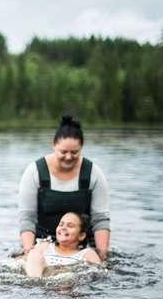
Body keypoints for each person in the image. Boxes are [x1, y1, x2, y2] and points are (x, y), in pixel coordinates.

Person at [18, 116, 111, 260]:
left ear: (81, 148)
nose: (68, 157)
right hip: (43, 242)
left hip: (81, 246)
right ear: (54, 145)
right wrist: (28, 250)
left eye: (74, 152)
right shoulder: (35, 171)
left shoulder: (93, 173)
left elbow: (100, 220)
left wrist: (102, 253)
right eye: (63, 152)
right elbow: (27, 218)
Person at [22, 212, 101, 277]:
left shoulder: (87, 254)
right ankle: (34, 281)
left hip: (67, 284)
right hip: (39, 280)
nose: (63, 228)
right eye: (61, 224)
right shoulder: (45, 246)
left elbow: (99, 273)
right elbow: (25, 260)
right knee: (34, 254)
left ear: (81, 235)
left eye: (70, 226)